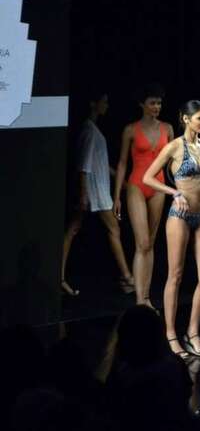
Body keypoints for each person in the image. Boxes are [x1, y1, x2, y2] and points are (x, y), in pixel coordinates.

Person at [143, 100, 200, 359]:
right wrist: (174, 192)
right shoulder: (174, 146)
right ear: (185, 119)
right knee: (175, 275)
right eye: (199, 118)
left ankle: (193, 333)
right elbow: (148, 177)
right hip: (180, 217)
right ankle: (171, 334)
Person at [62, 91, 133, 296]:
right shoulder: (89, 130)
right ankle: (127, 278)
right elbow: (83, 164)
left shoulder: (92, 129)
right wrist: (83, 193)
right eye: (104, 102)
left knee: (73, 229)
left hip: (97, 188)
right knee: (112, 230)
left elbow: (100, 163)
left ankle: (59, 277)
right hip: (95, 191)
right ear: (93, 104)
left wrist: (121, 181)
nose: (106, 106)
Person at [113, 85, 174, 308]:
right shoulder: (131, 130)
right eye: (152, 103)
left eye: (159, 103)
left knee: (151, 243)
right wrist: (116, 196)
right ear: (142, 104)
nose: (157, 107)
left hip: (158, 185)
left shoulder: (167, 128)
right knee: (143, 242)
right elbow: (122, 163)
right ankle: (140, 300)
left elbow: (173, 162)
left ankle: (146, 297)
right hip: (137, 185)